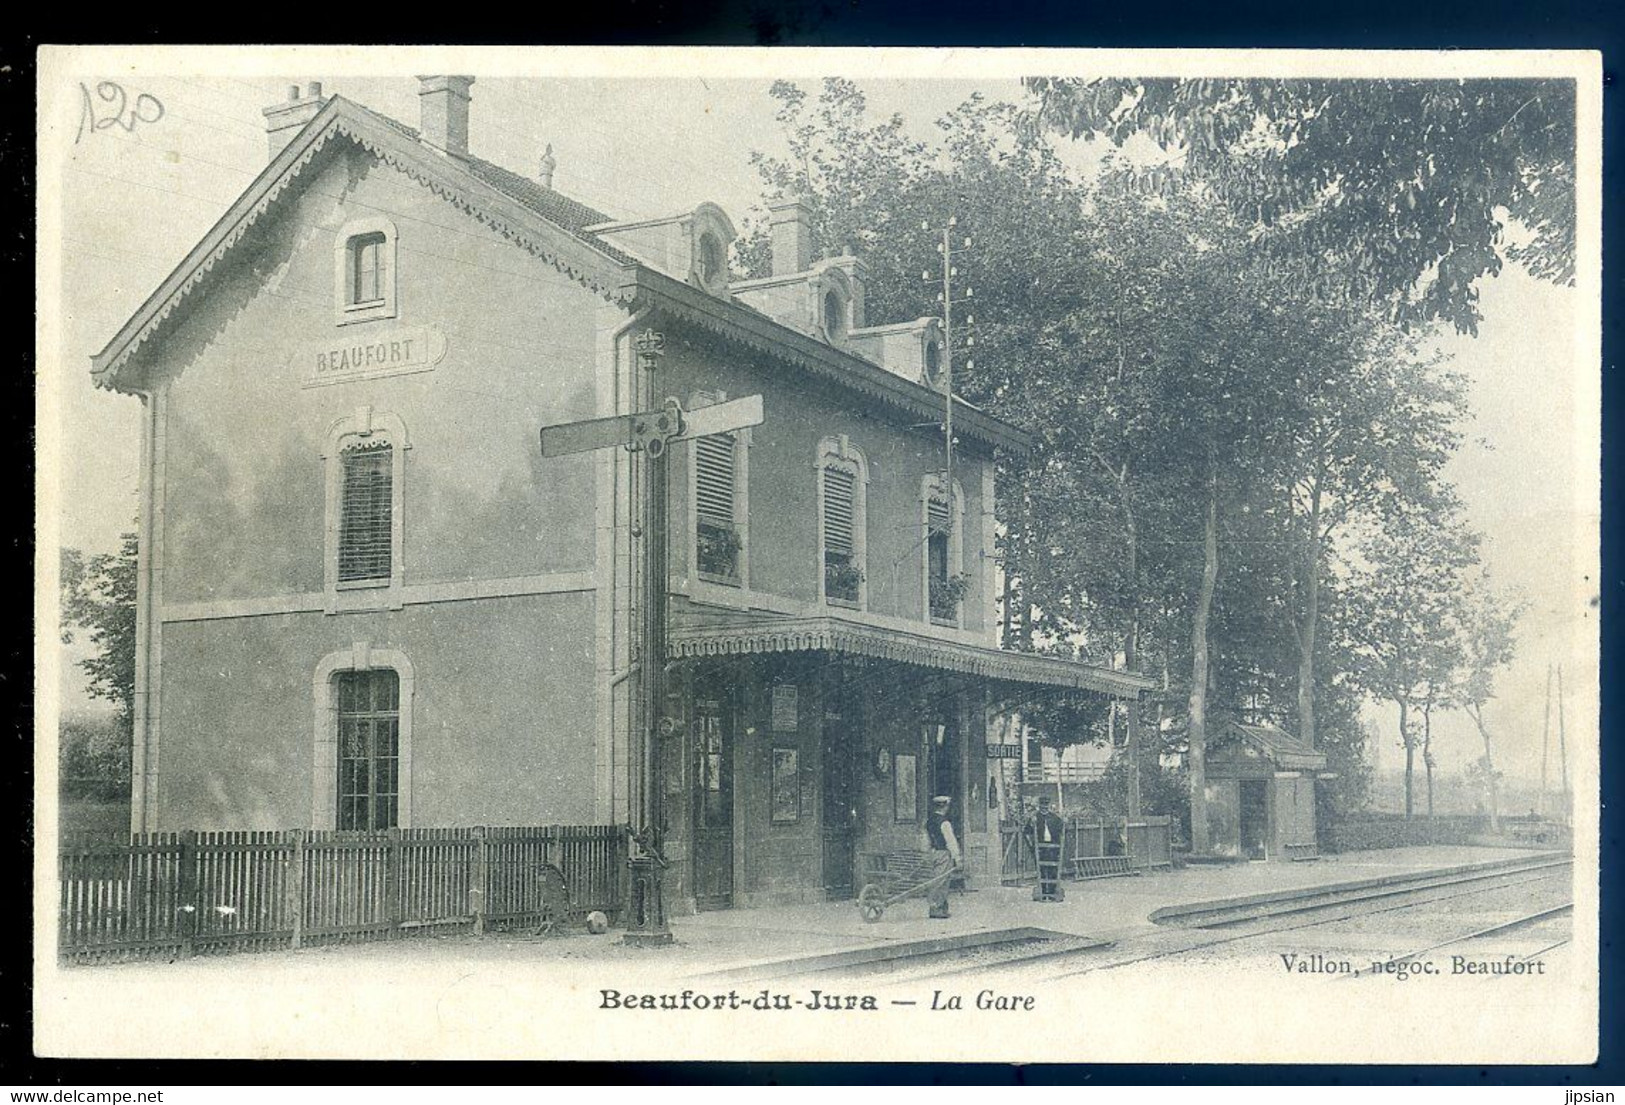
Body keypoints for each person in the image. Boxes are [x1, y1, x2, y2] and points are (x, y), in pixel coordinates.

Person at [925, 795, 962, 919]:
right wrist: (957, 858)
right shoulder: (944, 823)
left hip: (933, 853)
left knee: (936, 879)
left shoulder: (929, 822)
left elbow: (926, 840)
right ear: (945, 807)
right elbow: (950, 841)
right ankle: (937, 907)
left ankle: (939, 906)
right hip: (944, 854)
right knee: (942, 881)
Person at [1027, 794, 1066, 902]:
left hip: (1053, 848)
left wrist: (1065, 821)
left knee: (1053, 870)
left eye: (1046, 806)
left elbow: (1062, 828)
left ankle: (1052, 892)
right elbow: (1027, 832)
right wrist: (1031, 845)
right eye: (1042, 806)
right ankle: (1043, 892)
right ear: (1039, 806)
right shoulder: (1035, 817)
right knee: (1042, 871)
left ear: (1048, 806)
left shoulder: (1054, 818)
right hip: (1040, 848)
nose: (1044, 808)